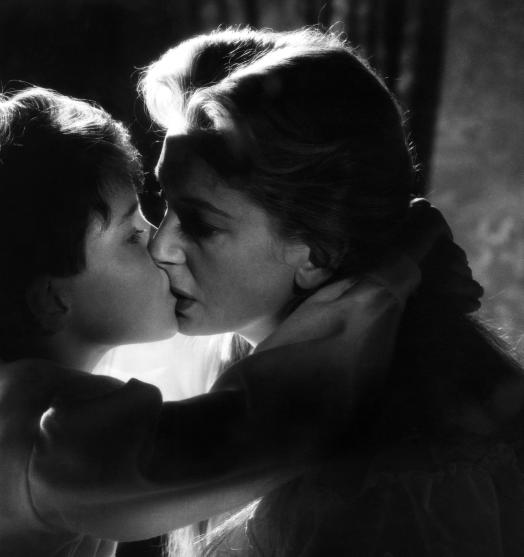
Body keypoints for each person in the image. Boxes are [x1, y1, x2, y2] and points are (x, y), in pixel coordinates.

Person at [0, 87, 425, 557]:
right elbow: (274, 431)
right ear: (50, 300)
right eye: (132, 234)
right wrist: (386, 278)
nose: (160, 244)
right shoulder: (52, 434)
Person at [140, 27, 524, 557]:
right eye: (164, 202)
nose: (160, 246)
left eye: (200, 223)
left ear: (317, 254)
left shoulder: (392, 480)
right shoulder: (223, 369)